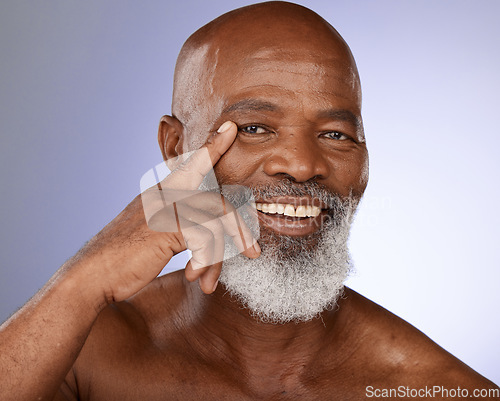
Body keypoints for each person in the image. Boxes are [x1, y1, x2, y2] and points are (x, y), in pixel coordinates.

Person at [0, 2, 498, 400]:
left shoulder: (434, 388)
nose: (302, 166)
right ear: (176, 148)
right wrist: (84, 278)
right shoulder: (86, 354)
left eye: (337, 134)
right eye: (255, 128)